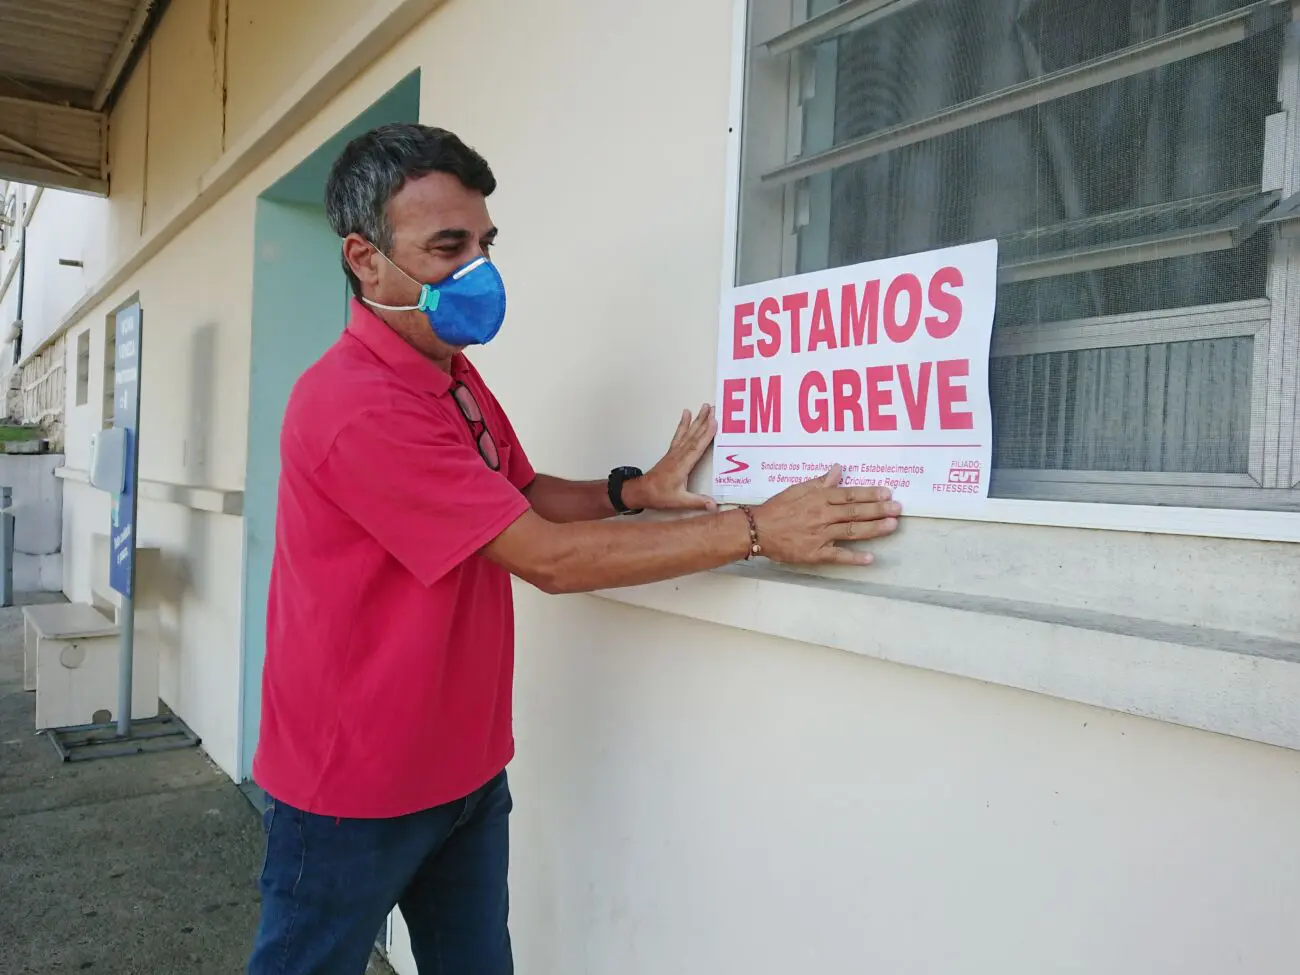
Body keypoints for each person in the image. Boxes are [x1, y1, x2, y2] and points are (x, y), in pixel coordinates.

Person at [246, 122, 902, 975]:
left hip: (466, 772)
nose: (478, 268)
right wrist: (755, 529)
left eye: (484, 242)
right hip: (352, 788)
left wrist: (634, 490)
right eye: (448, 246)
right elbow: (548, 558)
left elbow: (515, 492)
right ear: (366, 259)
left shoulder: (448, 368)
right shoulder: (354, 404)